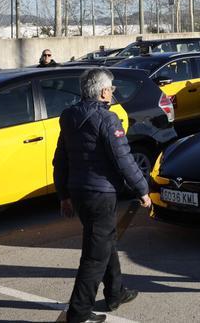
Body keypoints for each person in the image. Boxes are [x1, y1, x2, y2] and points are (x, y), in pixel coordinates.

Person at [54, 69, 151, 323]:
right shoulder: (107, 120)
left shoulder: (69, 116)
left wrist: (64, 194)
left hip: (80, 193)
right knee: (94, 255)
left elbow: (60, 159)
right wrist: (142, 190)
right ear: (103, 91)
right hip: (101, 195)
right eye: (112, 88)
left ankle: (115, 292)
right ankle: (79, 314)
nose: (113, 92)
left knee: (105, 241)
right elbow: (123, 159)